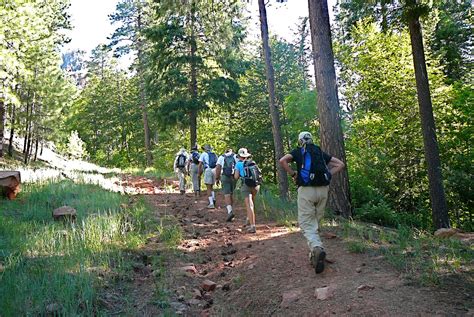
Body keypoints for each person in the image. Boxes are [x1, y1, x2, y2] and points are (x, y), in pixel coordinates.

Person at [279, 131, 345, 274]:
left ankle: (317, 248)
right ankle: (313, 255)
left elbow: (282, 160)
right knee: (315, 222)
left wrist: (293, 174)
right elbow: (340, 164)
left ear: (300, 141)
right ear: (311, 139)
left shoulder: (298, 151)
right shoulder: (319, 152)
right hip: (323, 190)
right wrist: (328, 174)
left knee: (306, 223)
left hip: (306, 191)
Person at [234, 148, 261, 234]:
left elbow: (236, 177)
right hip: (256, 185)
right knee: (252, 202)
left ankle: (253, 226)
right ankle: (248, 219)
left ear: (239, 156)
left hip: (246, 185)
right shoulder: (252, 162)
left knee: (249, 205)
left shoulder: (238, 164)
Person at [215, 148, 238, 222]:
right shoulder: (235, 156)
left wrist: (217, 178)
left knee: (226, 194)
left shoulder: (221, 157)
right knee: (232, 193)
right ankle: (232, 208)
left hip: (225, 176)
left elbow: (218, 168)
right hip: (234, 176)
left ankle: (229, 211)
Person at [198, 144, 218, 209]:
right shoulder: (214, 154)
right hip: (214, 170)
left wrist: (199, 173)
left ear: (204, 149)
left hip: (208, 170)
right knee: (212, 186)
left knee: (208, 187)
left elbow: (200, 164)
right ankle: (213, 198)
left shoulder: (203, 154)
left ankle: (211, 203)